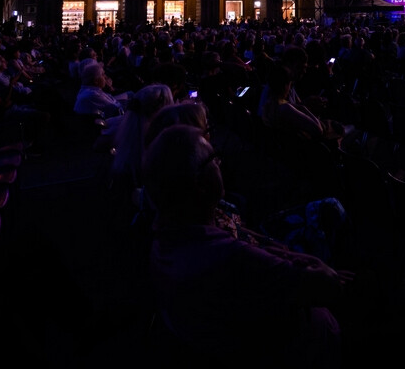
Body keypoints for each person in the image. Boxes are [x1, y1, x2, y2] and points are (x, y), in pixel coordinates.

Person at [144, 125, 344, 366]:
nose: (220, 164)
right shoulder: (228, 258)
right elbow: (327, 286)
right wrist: (313, 265)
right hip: (301, 346)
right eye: (214, 159)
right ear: (199, 184)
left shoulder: (165, 242)